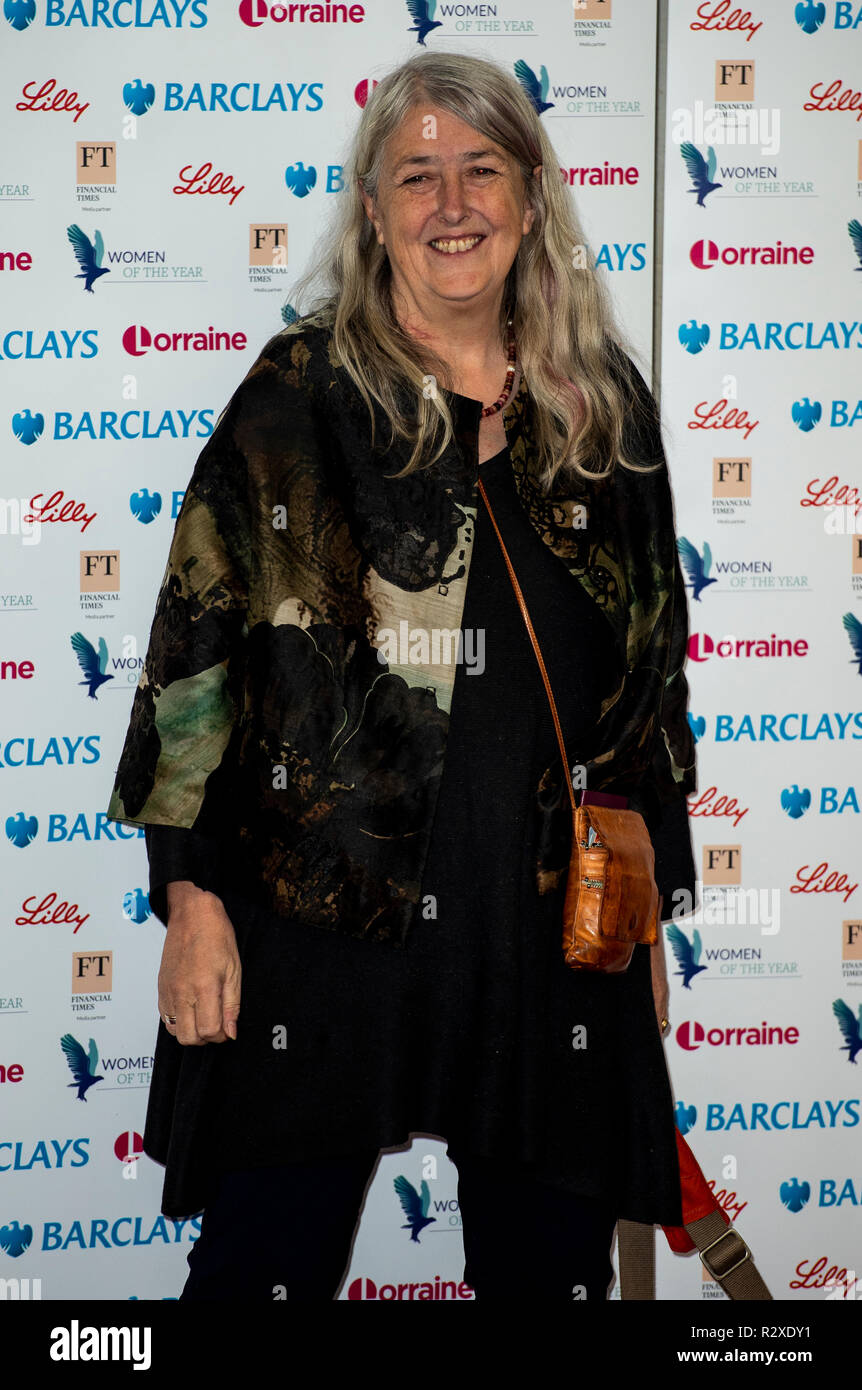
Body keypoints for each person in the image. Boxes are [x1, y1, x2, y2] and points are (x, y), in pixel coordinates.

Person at [105, 50, 698, 1302]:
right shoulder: (299, 395)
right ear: (372, 212)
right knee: (263, 1265)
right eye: (415, 175)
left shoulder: (604, 409)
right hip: (321, 913)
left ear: (532, 197)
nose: (452, 202)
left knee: (551, 1273)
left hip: (540, 920)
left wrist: (647, 885)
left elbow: (650, 672)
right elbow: (194, 654)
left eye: (482, 168)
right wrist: (190, 899)